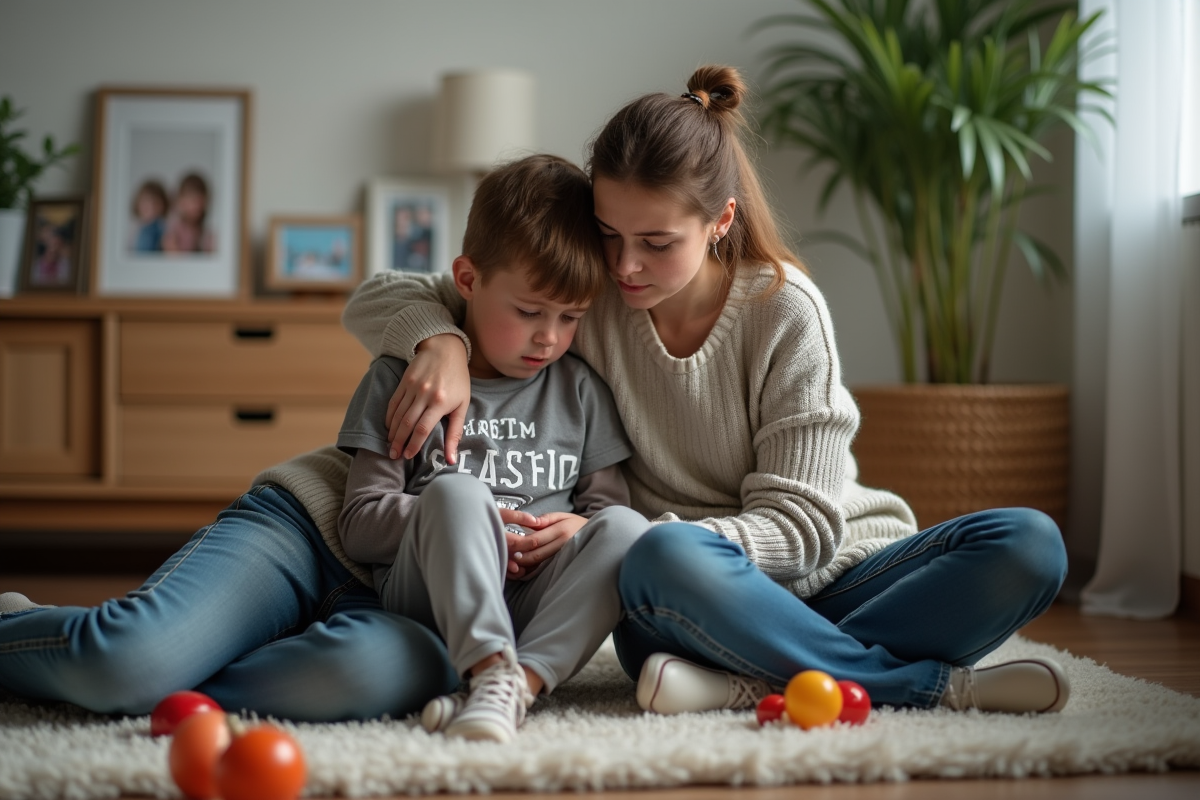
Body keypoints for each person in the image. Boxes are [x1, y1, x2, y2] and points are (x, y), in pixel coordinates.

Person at [339, 65, 1071, 717]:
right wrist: (443, 341)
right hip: (678, 595)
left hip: (828, 581)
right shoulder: (588, 307)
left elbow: (805, 529)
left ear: (719, 221)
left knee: (1029, 545)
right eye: (608, 233)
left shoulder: (786, 312)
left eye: (656, 242)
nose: (625, 266)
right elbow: (381, 294)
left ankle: (749, 680)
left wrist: (658, 538)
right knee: (653, 557)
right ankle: (920, 687)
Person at [337, 153, 646, 743]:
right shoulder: (401, 379)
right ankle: (486, 666)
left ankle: (513, 687)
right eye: (529, 311)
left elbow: (606, 515)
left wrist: (575, 528)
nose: (548, 337)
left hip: (534, 605)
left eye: (570, 317)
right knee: (459, 492)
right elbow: (359, 522)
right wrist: (466, 518)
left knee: (631, 530)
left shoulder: (581, 391)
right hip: (428, 599)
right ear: (469, 279)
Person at [163, 172, 215, 254]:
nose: (197, 206)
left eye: (201, 202)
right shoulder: (174, 230)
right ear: (180, 201)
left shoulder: (205, 233)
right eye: (193, 201)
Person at [129, 178, 169, 253]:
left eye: (156, 202)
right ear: (138, 204)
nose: (151, 207)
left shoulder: (164, 228)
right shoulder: (134, 230)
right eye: (146, 202)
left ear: (164, 204)